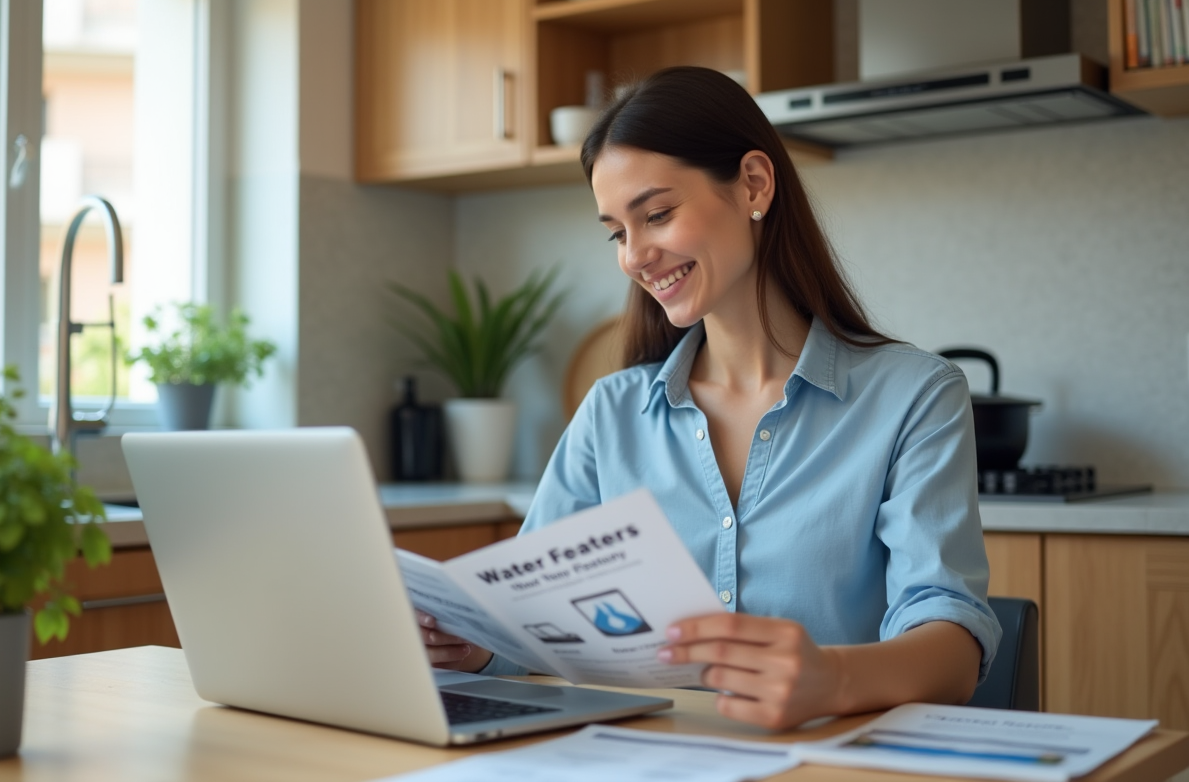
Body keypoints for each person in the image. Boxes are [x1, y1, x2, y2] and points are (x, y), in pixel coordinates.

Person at [415, 66, 1001, 731]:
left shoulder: (914, 395)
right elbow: (528, 625)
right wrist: (478, 644)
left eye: (657, 214)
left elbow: (952, 646)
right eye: (616, 232)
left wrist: (832, 678)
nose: (635, 255)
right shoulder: (611, 413)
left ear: (754, 184)